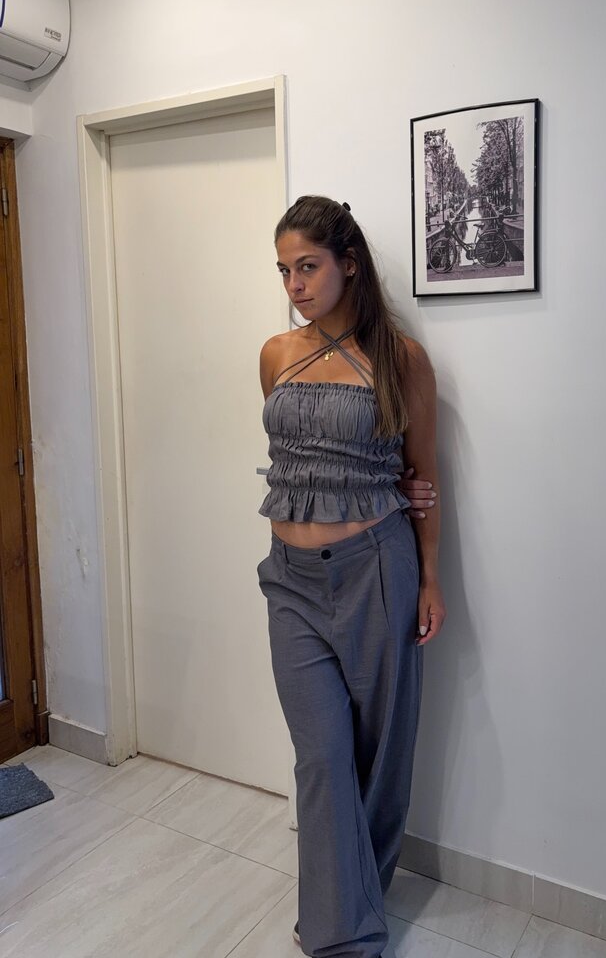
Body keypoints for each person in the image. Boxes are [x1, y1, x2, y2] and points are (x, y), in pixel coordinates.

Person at [255, 195, 445, 958]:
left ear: (349, 264)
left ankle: (347, 904)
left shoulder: (401, 359)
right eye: (284, 271)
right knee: (323, 756)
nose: (295, 284)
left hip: (376, 569)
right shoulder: (275, 353)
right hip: (290, 581)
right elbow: (296, 460)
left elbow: (423, 476)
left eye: (307, 266)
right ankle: (348, 938)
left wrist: (430, 578)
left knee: (380, 753)